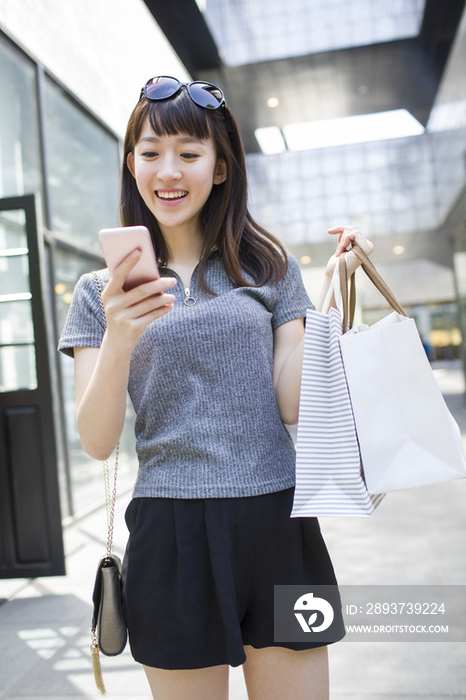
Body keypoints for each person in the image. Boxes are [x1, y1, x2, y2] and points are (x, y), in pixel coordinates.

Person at [58, 76, 374, 700]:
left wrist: (333, 298)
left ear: (221, 167)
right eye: (150, 153)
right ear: (131, 166)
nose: (167, 170)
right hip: (171, 534)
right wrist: (120, 337)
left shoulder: (269, 268)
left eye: (188, 152)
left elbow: (292, 402)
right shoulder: (99, 293)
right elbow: (96, 441)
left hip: (278, 524)